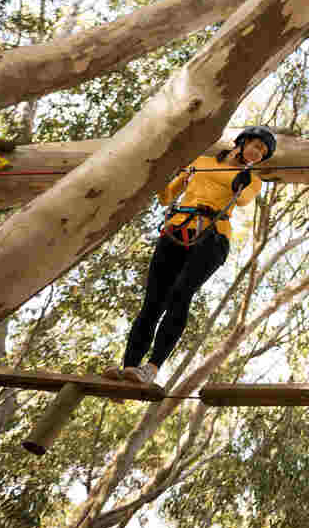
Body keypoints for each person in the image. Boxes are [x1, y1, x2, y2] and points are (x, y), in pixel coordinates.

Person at [105, 126, 274, 388]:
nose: (258, 153)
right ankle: (128, 367)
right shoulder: (200, 162)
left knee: (180, 295)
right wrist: (163, 174)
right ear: (241, 143)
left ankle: (150, 369)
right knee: (153, 301)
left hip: (213, 235)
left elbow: (241, 200)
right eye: (256, 146)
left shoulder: (251, 179)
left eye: (262, 152)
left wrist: (236, 180)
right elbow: (166, 196)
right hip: (176, 228)